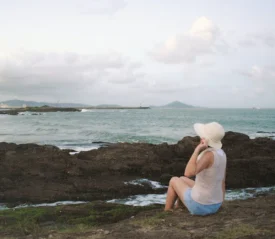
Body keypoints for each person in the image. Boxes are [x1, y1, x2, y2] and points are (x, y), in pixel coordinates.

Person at [164, 122, 227, 216]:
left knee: (174, 180)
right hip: (215, 204)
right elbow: (222, 181)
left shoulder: (208, 155)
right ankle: (179, 207)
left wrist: (197, 149)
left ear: (204, 139)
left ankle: (167, 211)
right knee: (182, 179)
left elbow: (188, 173)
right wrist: (220, 202)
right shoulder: (222, 153)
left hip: (201, 206)